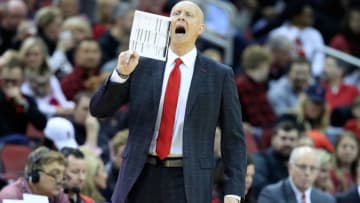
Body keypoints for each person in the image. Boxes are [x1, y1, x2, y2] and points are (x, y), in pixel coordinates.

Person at [89, 1, 246, 203]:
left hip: (188, 180)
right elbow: (99, 109)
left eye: (188, 15)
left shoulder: (219, 75)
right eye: (176, 13)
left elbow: (233, 138)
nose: (180, 17)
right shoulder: (141, 64)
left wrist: (233, 191)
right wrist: (120, 75)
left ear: (201, 29)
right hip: (139, 173)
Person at [258, 146, 335, 203]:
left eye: (312, 168)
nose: (307, 173)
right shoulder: (271, 194)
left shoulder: (327, 200)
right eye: (302, 167)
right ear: (290, 168)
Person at [0, 146, 69, 203]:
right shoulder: (11, 196)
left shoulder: (57, 194)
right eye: (55, 174)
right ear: (35, 175)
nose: (60, 181)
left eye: (62, 175)